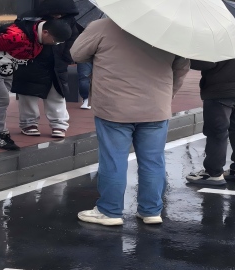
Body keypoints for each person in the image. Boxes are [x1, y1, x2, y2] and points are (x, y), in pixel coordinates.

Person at [70, 17, 190, 226]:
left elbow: (76, 53)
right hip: (155, 107)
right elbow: (181, 68)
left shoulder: (103, 26)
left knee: (113, 159)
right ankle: (151, 210)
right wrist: (167, 95)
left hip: (114, 107)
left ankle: (110, 210)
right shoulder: (171, 31)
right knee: (153, 161)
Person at [0, 18, 73, 150]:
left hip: (7, 67)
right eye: (55, 41)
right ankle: (1, 136)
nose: (55, 44)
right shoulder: (15, 36)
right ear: (45, 33)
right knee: (1, 100)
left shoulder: (36, 34)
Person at [185, 45, 235, 187]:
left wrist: (188, 56)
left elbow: (206, 63)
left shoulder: (218, 35)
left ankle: (213, 173)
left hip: (220, 91)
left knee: (217, 131)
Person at [13, 0, 80, 138]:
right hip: (31, 62)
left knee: (56, 95)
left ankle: (59, 125)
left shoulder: (70, 21)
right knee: (27, 94)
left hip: (56, 64)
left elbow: (73, 40)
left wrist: (68, 57)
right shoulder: (28, 18)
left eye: (61, 13)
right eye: (55, 13)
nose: (58, 15)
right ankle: (29, 123)